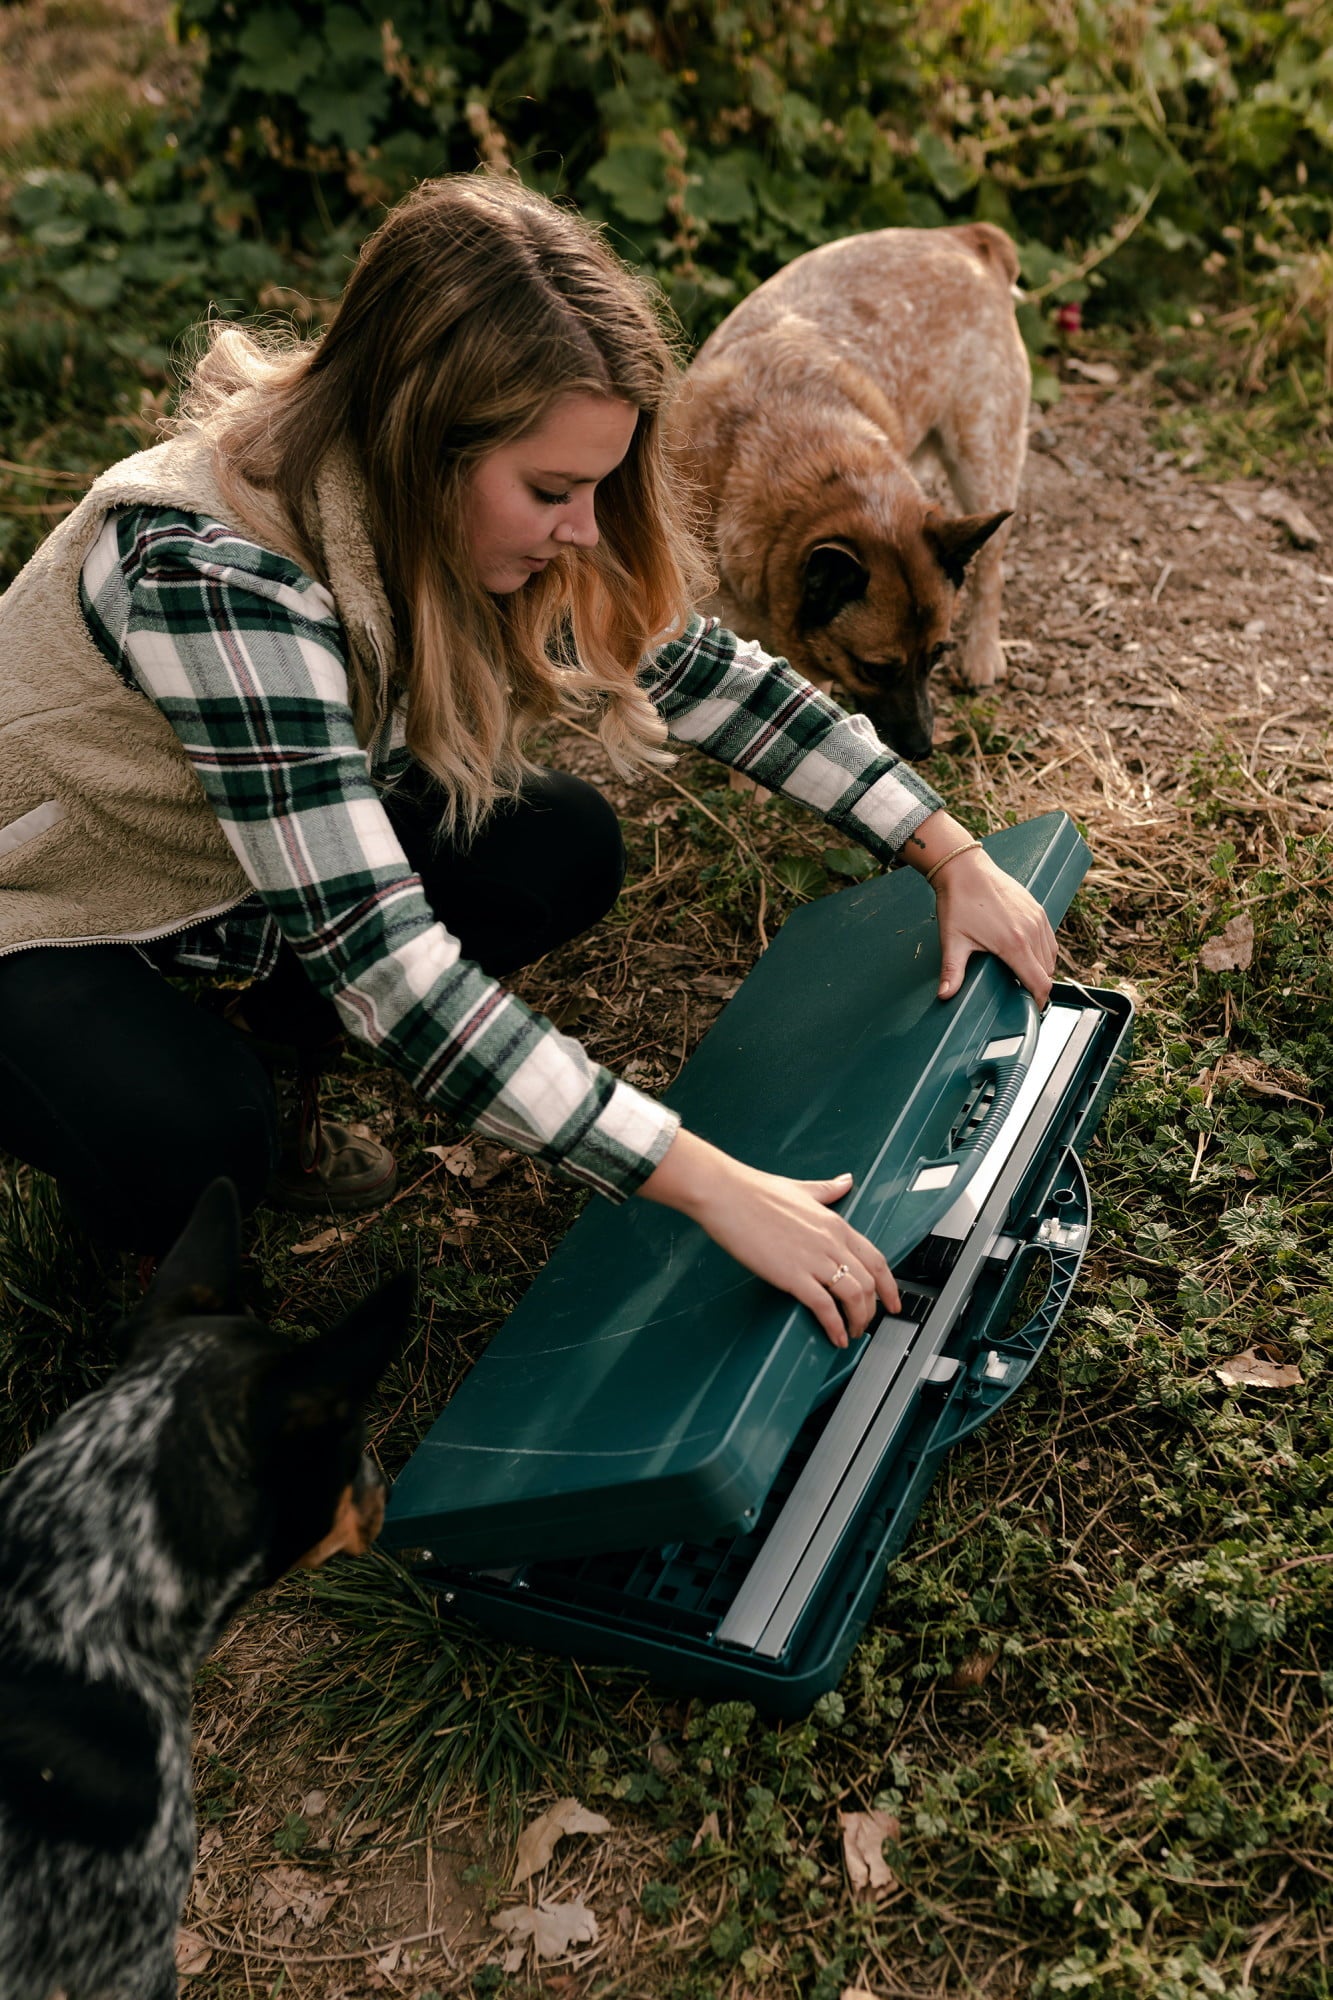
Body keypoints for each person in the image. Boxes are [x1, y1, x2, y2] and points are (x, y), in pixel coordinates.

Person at [0, 174, 1055, 1349]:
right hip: (49, 903)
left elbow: (697, 669)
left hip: (228, 858)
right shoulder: (214, 575)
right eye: (553, 491)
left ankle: (263, 1031)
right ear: (422, 439)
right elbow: (390, 969)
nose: (585, 529)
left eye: (595, 485)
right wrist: (712, 1184)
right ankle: (163, 1189)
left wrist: (944, 848)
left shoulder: (441, 504)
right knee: (201, 1132)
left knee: (556, 844)